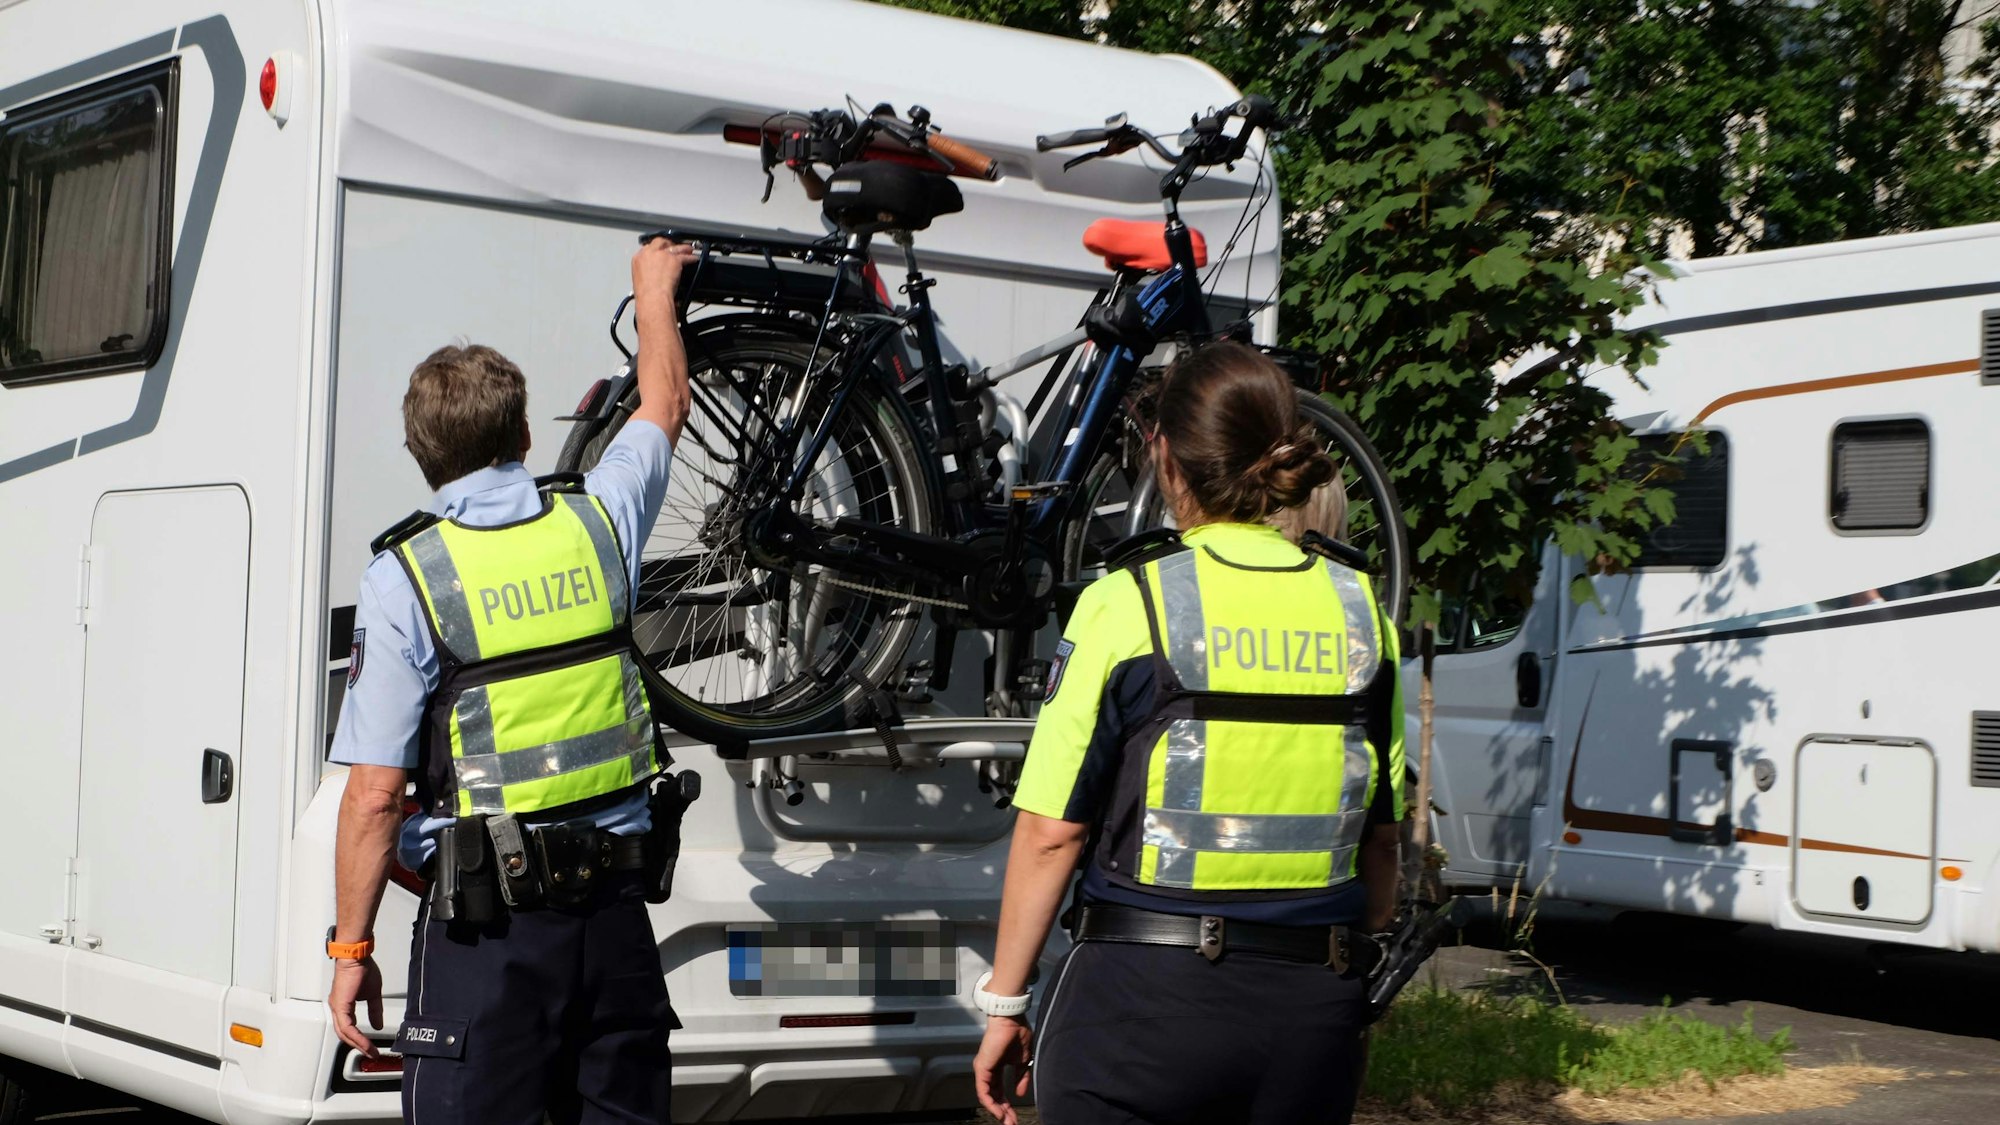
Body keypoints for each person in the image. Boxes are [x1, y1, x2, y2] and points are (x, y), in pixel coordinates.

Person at [972, 341, 1406, 1125]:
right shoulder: (1360, 610)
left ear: (1163, 456)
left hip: (1142, 1010)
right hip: (1312, 1017)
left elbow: (1049, 833)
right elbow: (1380, 845)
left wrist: (1006, 999)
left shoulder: (1129, 600)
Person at [325, 237, 697, 1124]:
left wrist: (350, 947)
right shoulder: (599, 518)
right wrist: (653, 290)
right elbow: (665, 403)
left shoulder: (407, 578)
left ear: (420, 453)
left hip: (487, 938)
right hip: (615, 929)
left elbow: (376, 798)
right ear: (526, 436)